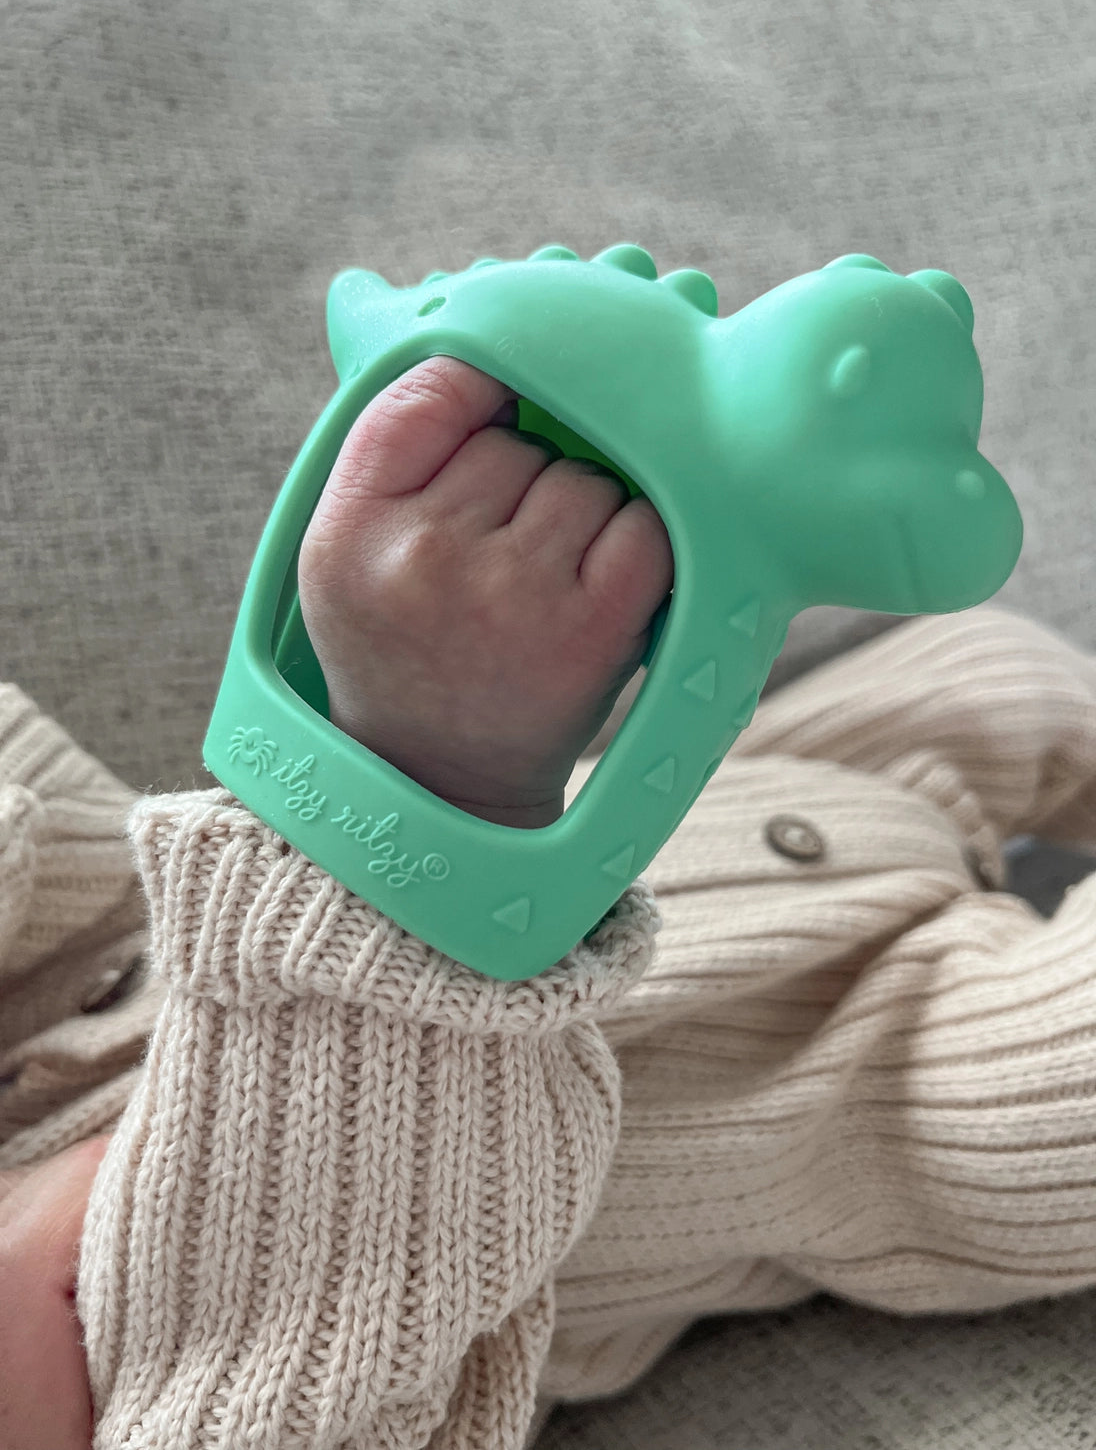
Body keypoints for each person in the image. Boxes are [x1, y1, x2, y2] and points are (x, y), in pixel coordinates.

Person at [2, 356, 1095, 1450]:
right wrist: (426, 780)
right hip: (856, 1089)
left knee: (997, 674)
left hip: (725, 800)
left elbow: (72, 864)